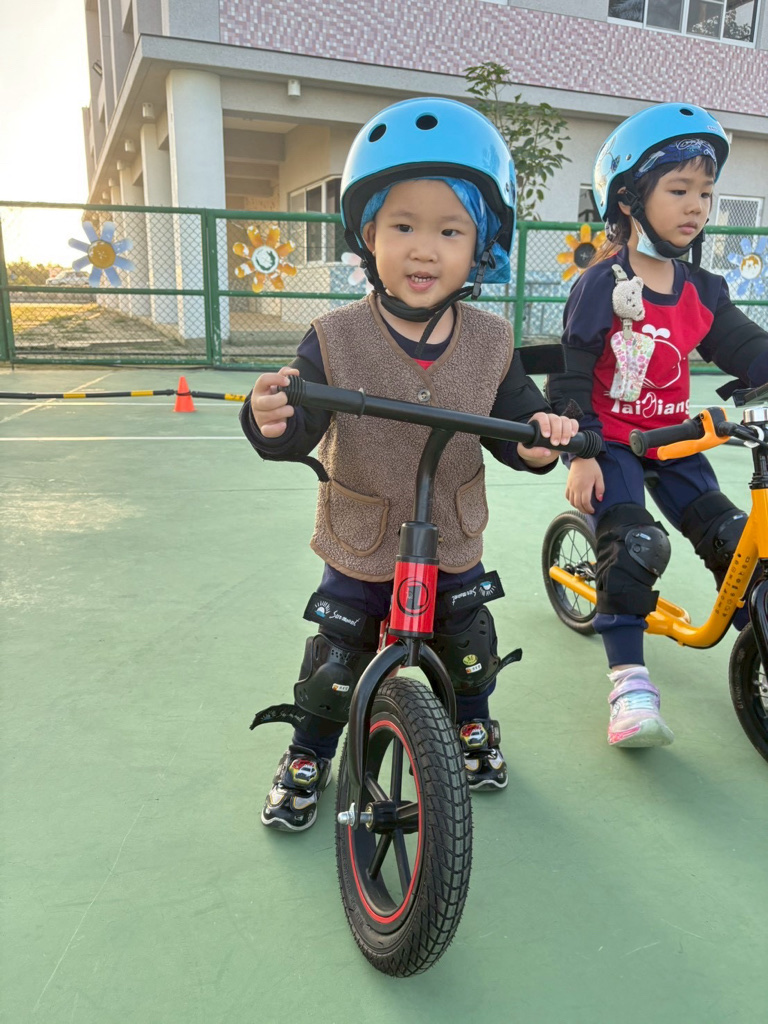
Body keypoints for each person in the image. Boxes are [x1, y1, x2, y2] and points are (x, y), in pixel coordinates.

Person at [240, 97, 579, 831]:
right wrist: (271, 420)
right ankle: (309, 752)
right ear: (368, 235)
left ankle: (473, 724)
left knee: (468, 646)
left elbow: (516, 425)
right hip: (361, 540)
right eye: (403, 226)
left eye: (449, 230)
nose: (424, 249)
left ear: (481, 246)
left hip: (451, 538)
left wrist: (539, 440)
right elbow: (299, 423)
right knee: (337, 659)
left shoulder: (492, 341)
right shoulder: (333, 336)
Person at [546, 102, 768, 749]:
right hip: (612, 441)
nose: (696, 205)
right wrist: (581, 452)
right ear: (628, 200)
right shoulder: (602, 283)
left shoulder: (704, 289)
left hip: (678, 442)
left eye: (705, 192)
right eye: (679, 190)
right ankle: (629, 684)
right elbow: (570, 374)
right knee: (636, 543)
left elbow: (748, 348)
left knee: (736, 537)